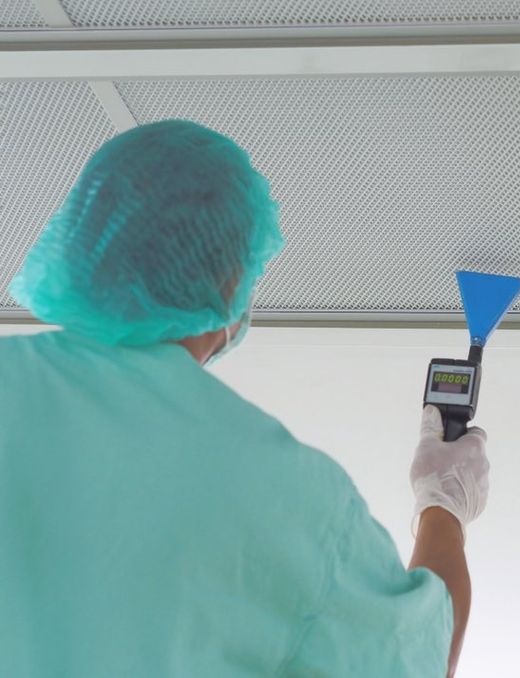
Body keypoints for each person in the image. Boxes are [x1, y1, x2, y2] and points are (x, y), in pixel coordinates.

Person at [0, 120, 490, 677]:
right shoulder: (292, 500)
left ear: (80, 241)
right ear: (232, 281)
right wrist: (443, 506)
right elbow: (417, 655)